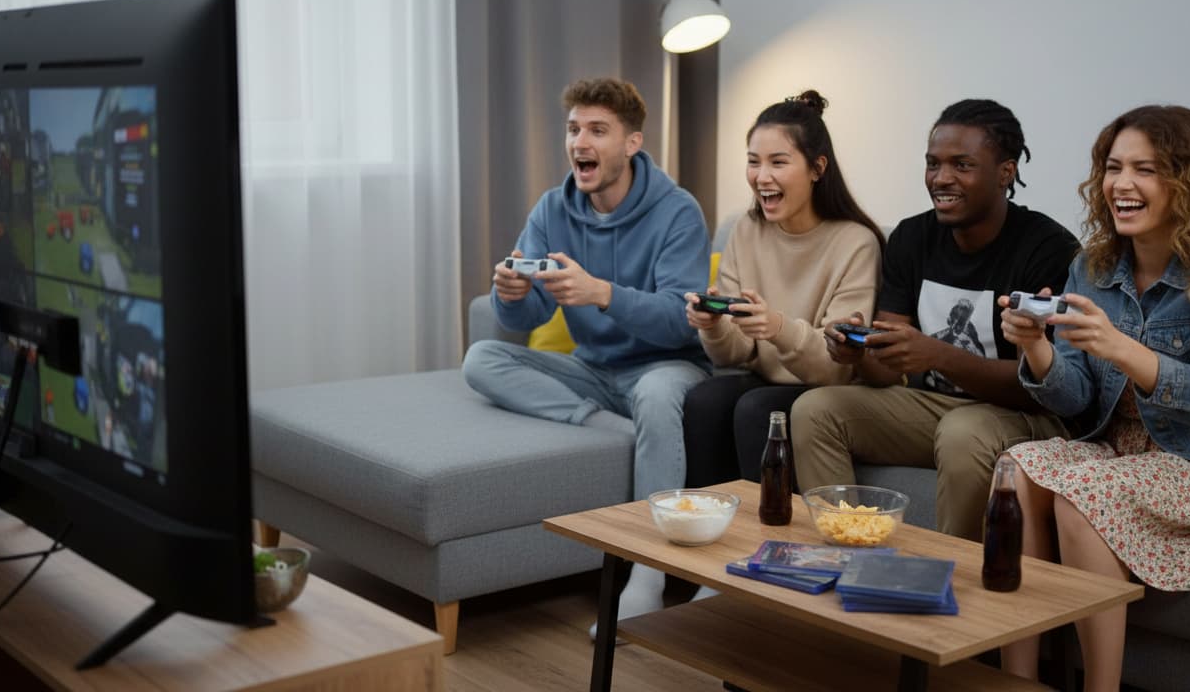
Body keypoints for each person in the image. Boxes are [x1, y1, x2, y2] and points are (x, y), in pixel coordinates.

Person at [997, 105, 1190, 690]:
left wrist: (1120, 346)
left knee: (1082, 494)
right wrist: (1037, 349)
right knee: (1014, 469)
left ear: (1189, 183)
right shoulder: (1093, 267)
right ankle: (1015, 682)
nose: (1122, 184)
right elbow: (1075, 396)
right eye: (1114, 167)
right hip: (1128, 451)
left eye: (1145, 170)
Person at [461, 77, 711, 635]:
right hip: (595, 373)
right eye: (574, 129)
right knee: (482, 359)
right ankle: (615, 429)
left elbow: (681, 317)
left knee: (657, 392)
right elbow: (523, 326)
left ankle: (646, 578)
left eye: (598, 130)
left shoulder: (678, 212)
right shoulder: (553, 208)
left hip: (665, 364)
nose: (581, 142)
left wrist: (602, 293)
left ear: (632, 142)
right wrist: (511, 292)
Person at [790, 98, 1079, 540]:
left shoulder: (1047, 249)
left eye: (962, 165)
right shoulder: (911, 238)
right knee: (815, 409)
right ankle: (844, 556)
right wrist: (858, 351)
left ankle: (953, 583)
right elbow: (886, 369)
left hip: (1022, 416)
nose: (942, 179)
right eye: (933, 164)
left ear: (1005, 172)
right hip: (936, 410)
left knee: (963, 431)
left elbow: (1044, 387)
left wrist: (938, 355)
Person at [681, 90, 884, 492]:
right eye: (754, 162)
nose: (761, 176)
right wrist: (714, 326)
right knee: (705, 399)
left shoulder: (856, 242)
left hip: (825, 392)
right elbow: (734, 355)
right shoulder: (747, 229)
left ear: (816, 168)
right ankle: (704, 530)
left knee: (757, 409)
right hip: (764, 379)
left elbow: (836, 367)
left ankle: (773, 538)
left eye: (778, 162)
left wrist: (776, 327)